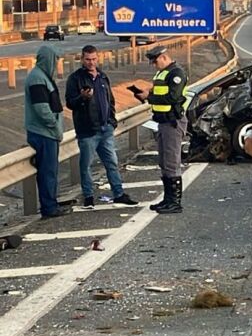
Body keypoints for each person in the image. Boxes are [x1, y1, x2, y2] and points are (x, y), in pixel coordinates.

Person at [66, 45, 138, 208]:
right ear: (82, 59)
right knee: (86, 165)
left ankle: (118, 193)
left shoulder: (103, 77)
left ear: (98, 59)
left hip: (105, 128)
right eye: (88, 59)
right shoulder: (76, 79)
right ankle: (89, 197)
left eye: (94, 59)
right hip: (87, 130)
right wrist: (83, 97)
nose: (91, 63)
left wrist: (112, 121)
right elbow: (70, 103)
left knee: (112, 162)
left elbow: (110, 100)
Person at [134, 46, 189, 214]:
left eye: (155, 61)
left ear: (164, 57)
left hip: (173, 121)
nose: (154, 64)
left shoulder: (176, 73)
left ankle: (175, 202)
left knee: (172, 162)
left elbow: (173, 97)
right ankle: (167, 199)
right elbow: (160, 90)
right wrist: (147, 92)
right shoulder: (162, 73)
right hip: (162, 122)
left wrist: (148, 97)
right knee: (164, 162)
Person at [24, 44, 71, 219]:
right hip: (43, 133)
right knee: (47, 172)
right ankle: (49, 207)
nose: (56, 63)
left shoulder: (41, 76)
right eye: (55, 60)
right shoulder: (37, 78)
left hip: (47, 132)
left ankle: (51, 204)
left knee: (50, 172)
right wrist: (53, 124)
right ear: (49, 60)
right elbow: (42, 108)